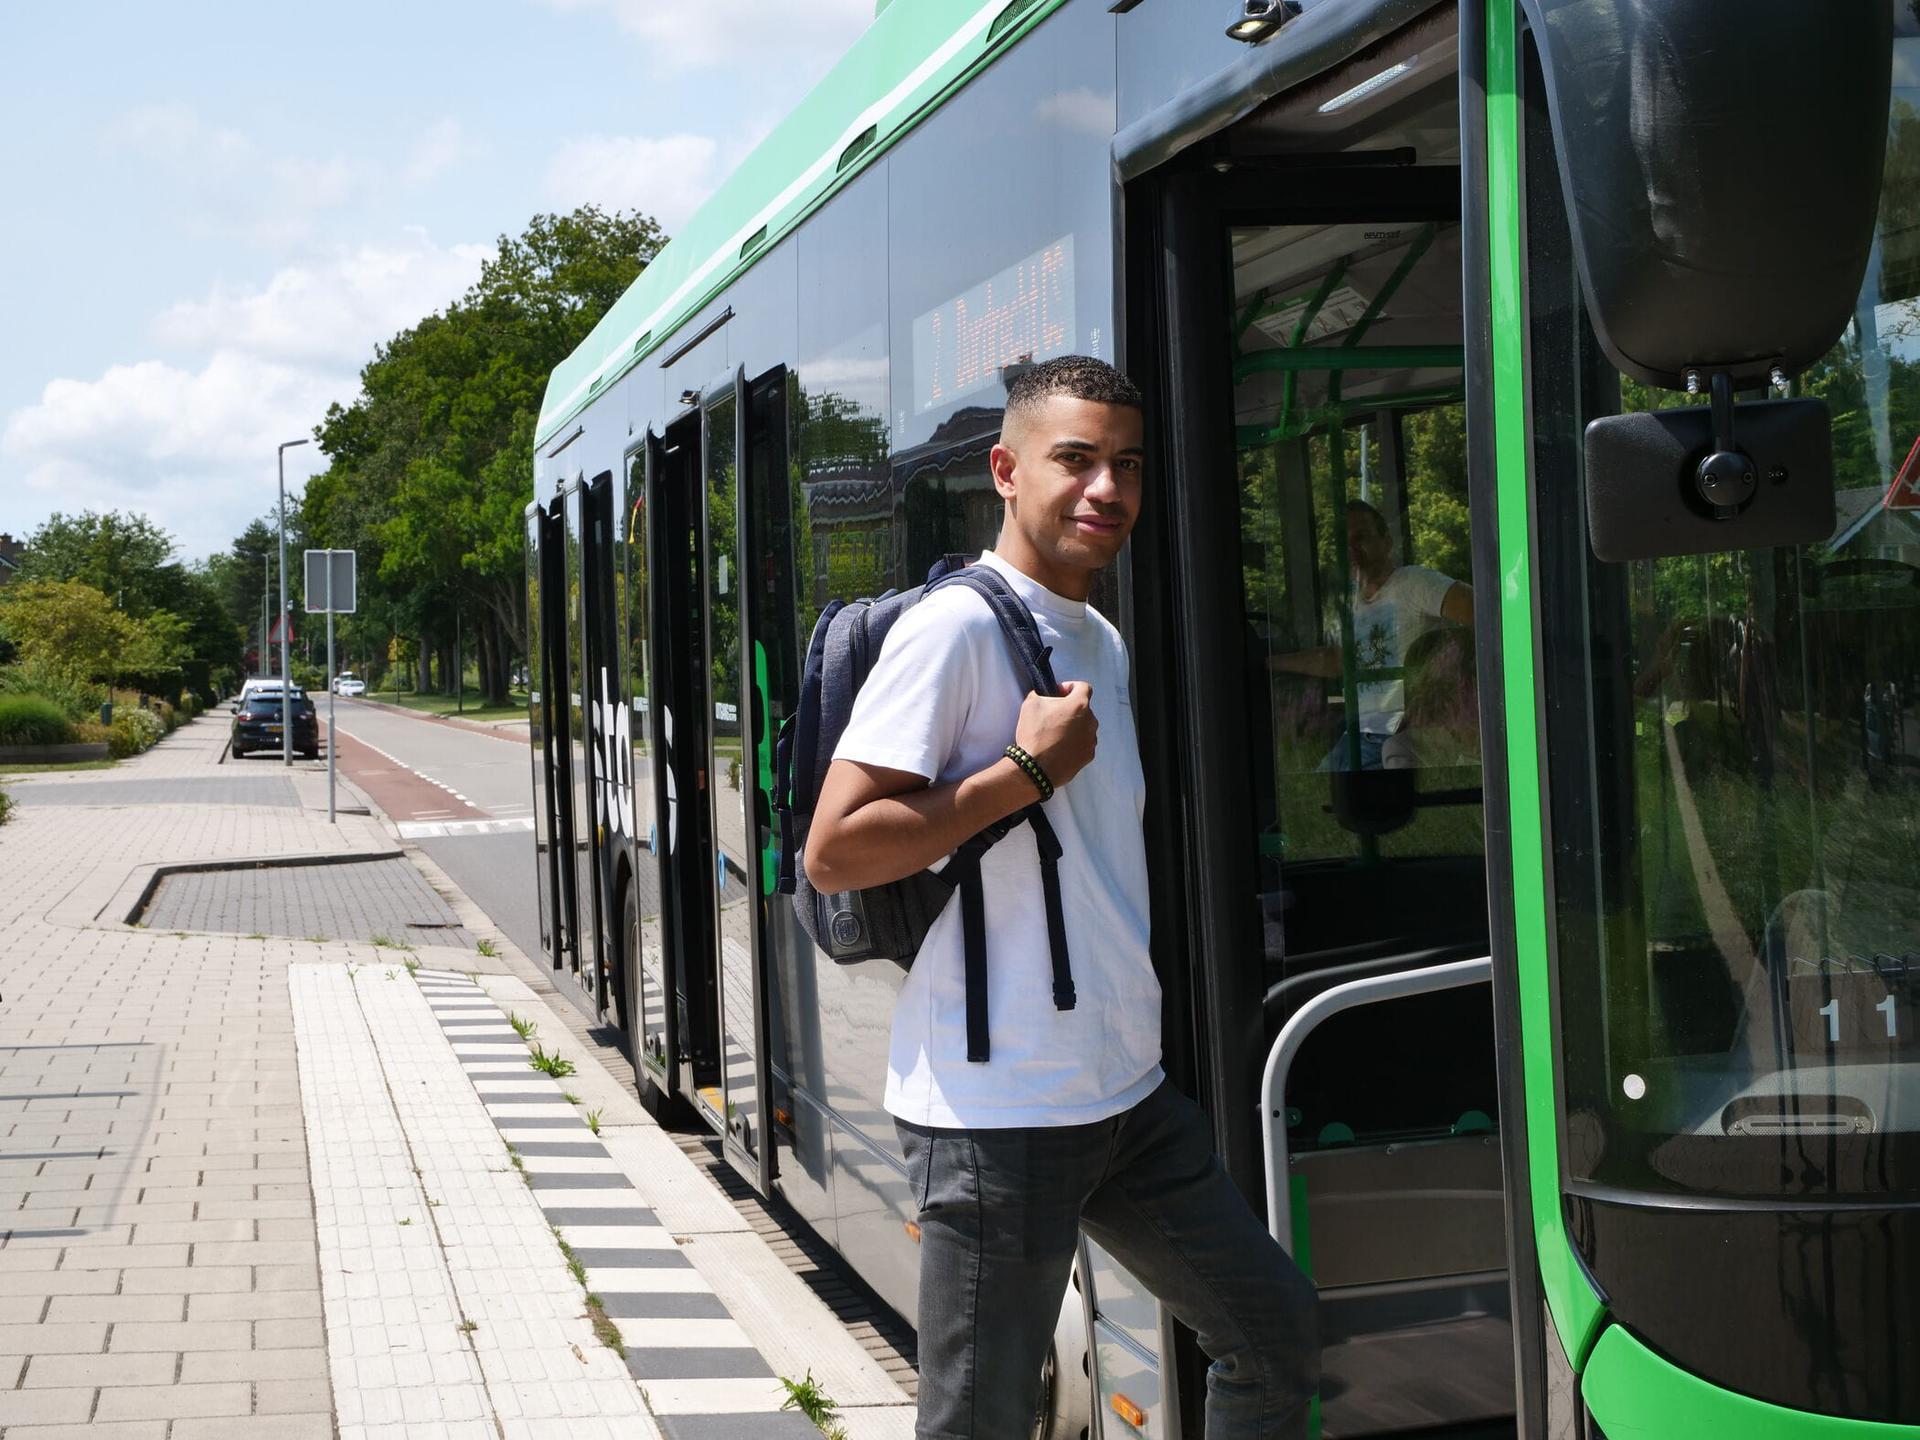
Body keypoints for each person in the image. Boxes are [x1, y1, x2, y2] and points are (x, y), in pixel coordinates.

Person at [805, 355, 1319, 1439]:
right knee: (981, 1422)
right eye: (1076, 459)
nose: (1106, 488)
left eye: (1126, 464)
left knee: (1273, 1337)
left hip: (1123, 1095)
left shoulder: (1101, 636)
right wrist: (1024, 773)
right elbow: (835, 851)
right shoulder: (955, 629)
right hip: (999, 1116)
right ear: (1006, 470)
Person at [1271, 499, 1473, 769]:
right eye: (1343, 543)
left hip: (1401, 735)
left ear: (1387, 542)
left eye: (1361, 537)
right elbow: (1336, 660)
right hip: (1356, 736)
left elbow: (1483, 612)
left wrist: (1451, 691)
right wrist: (1268, 662)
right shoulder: (1351, 603)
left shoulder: (1414, 583)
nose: (1352, 549)